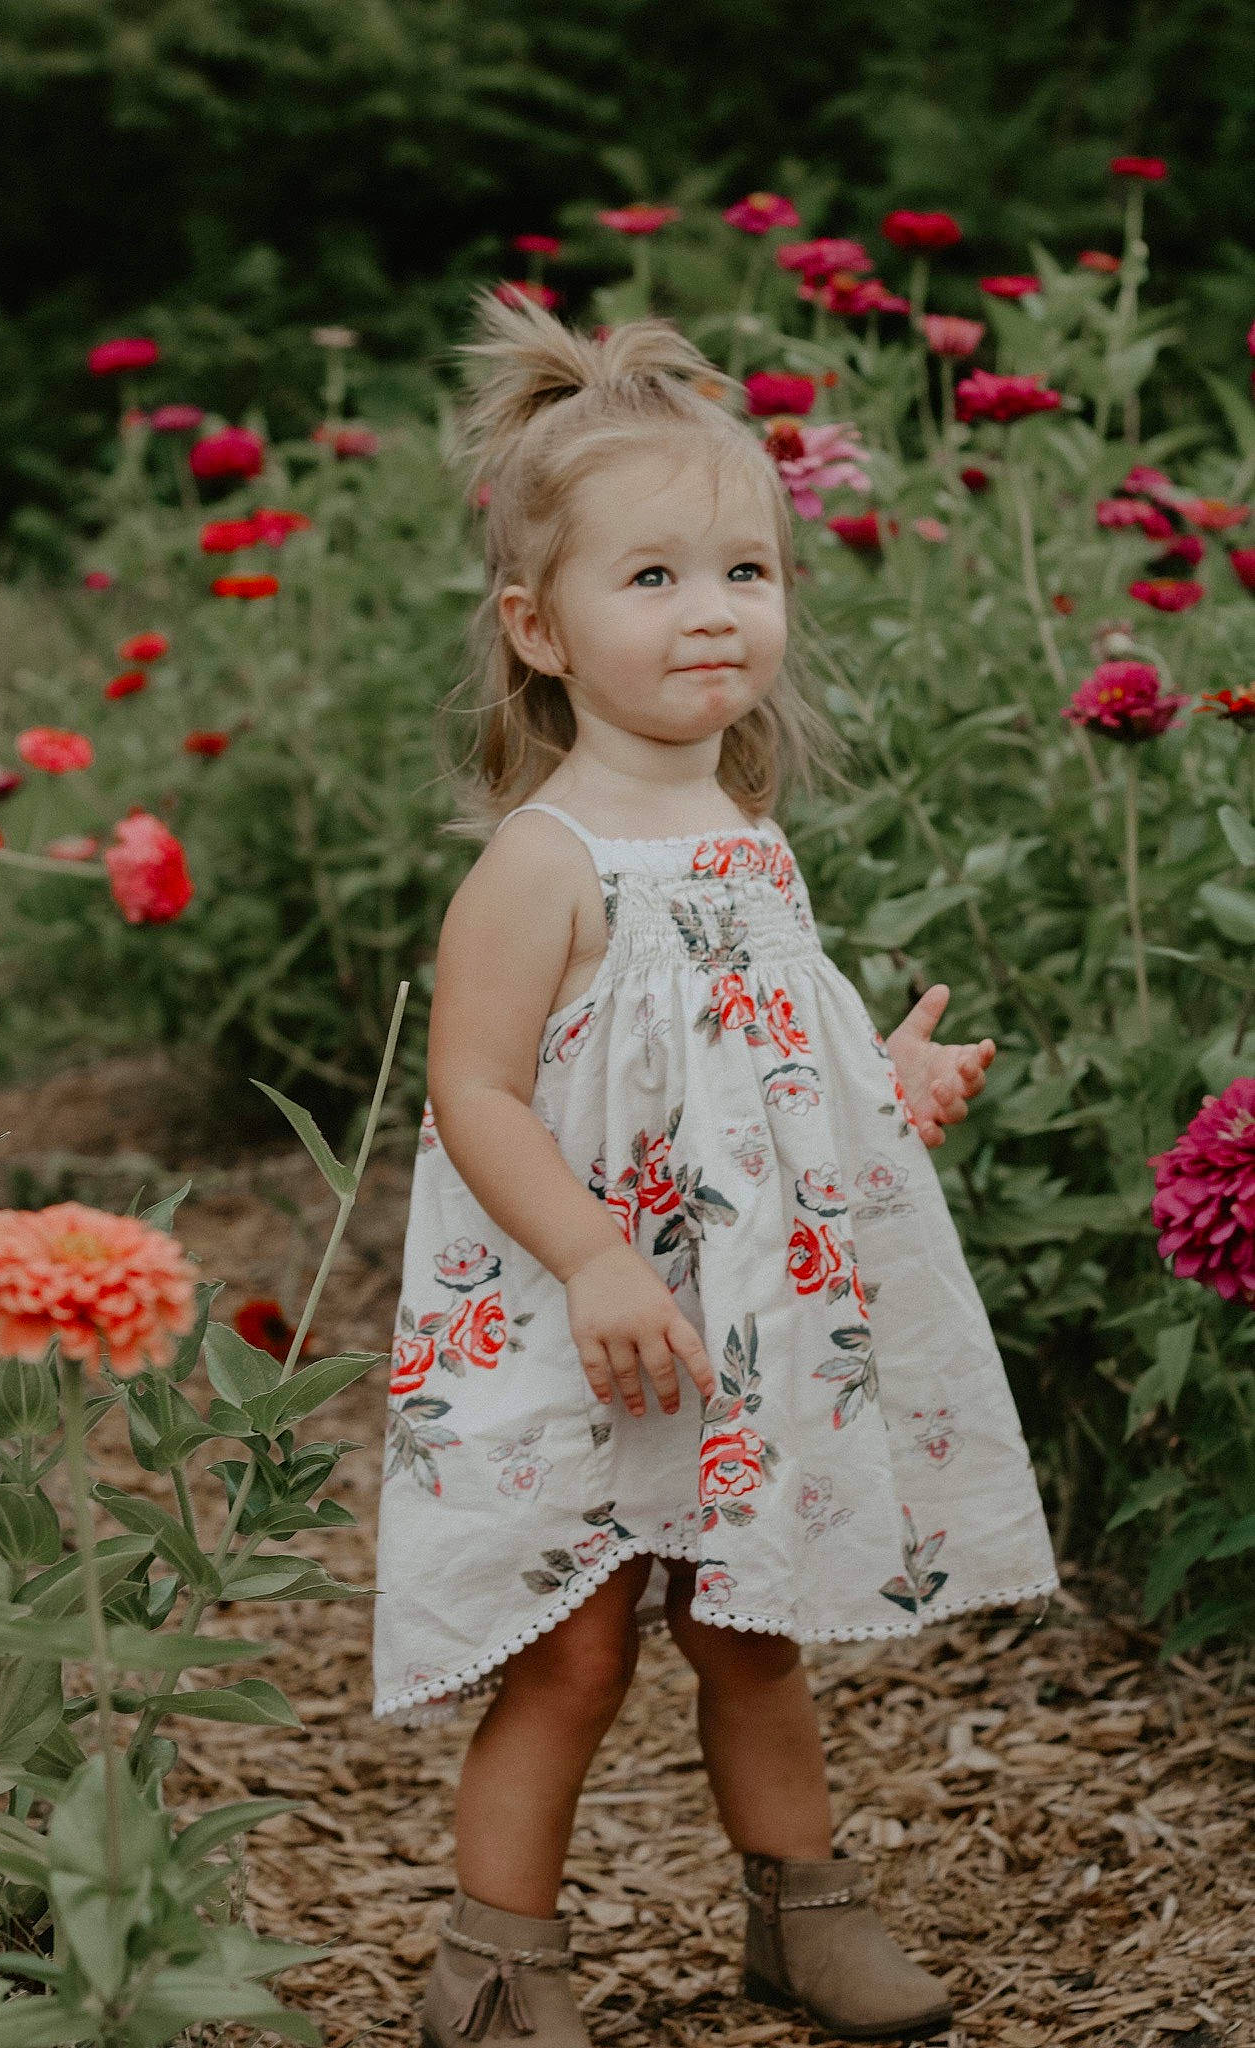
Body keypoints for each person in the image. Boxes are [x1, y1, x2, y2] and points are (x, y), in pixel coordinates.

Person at [371, 286, 1060, 2046]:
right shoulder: (540, 859)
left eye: (743, 574)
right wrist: (597, 1259)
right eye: (653, 578)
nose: (712, 615)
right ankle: (498, 1966)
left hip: (735, 1325)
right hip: (580, 1312)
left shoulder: (745, 835)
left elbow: (755, 1057)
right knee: (574, 1652)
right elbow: (477, 1094)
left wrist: (878, 1079)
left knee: (751, 1630)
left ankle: (801, 1918)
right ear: (537, 627)